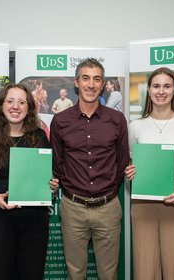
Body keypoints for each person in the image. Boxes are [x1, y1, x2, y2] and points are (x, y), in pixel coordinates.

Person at [50, 58, 130, 280]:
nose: (91, 84)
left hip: (108, 207)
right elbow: (57, 163)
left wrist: (108, 189)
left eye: (97, 79)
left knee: (108, 274)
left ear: (103, 84)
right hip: (73, 208)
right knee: (75, 273)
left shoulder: (117, 120)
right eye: (85, 78)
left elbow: (122, 162)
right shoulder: (60, 121)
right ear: (77, 82)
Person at [0, 83, 58, 280]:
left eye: (21, 102)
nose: (15, 106)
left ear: (29, 108)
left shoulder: (39, 137)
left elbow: (46, 177)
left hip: (33, 222)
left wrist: (50, 185)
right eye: (10, 101)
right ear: (2, 105)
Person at [125, 67, 174, 280]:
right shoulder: (135, 126)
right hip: (143, 202)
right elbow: (132, 162)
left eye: (167, 86)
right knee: (144, 270)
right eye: (156, 86)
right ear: (149, 90)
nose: (161, 91)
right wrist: (131, 171)